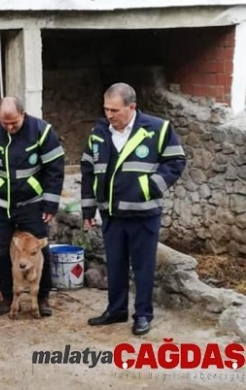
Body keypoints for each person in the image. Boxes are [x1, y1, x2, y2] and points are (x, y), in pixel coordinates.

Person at [82, 83, 186, 336]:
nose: (109, 115)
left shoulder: (158, 129)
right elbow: (87, 173)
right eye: (106, 109)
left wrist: (150, 187)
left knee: (143, 267)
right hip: (112, 214)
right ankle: (116, 310)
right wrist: (88, 211)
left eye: (115, 110)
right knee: (115, 265)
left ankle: (142, 315)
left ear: (132, 107)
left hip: (144, 213)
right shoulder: (98, 133)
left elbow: (176, 161)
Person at [0, 96, 65, 317]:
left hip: (32, 203)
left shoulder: (42, 131)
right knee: (2, 251)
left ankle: (41, 298)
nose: (10, 127)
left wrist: (50, 204)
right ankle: (6, 296)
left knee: (39, 250)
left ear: (23, 114)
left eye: (14, 123)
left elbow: (55, 169)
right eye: (5, 123)